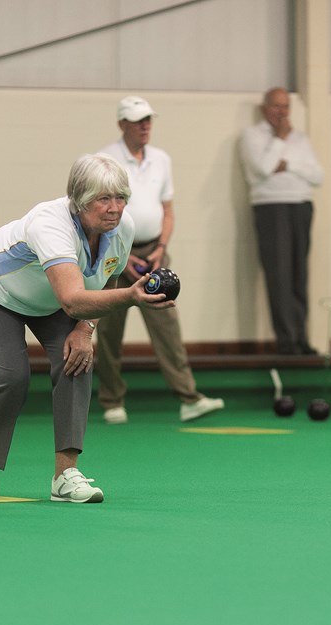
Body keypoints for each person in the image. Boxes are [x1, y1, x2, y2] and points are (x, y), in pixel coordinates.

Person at [0, 153, 174, 503]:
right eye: (103, 199)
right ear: (79, 201)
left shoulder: (123, 227)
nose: (115, 208)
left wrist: (85, 329)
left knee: (78, 358)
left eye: (120, 197)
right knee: (14, 375)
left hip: (51, 298)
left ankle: (65, 476)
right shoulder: (50, 223)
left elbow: (108, 276)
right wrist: (132, 297)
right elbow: (73, 299)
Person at [95, 96, 224, 424]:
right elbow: (99, 213)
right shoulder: (105, 160)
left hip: (153, 251)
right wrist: (120, 259)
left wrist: (161, 247)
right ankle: (112, 402)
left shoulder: (162, 159)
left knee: (167, 325)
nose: (145, 126)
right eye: (138, 121)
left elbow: (167, 209)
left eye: (148, 119)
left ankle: (189, 398)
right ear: (122, 124)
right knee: (109, 330)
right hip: (115, 252)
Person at [239, 87, 324, 355]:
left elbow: (317, 176)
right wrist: (279, 140)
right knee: (279, 274)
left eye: (286, 106)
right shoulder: (251, 136)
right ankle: (286, 341)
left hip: (301, 205)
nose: (282, 112)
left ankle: (302, 338)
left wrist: (288, 165)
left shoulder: (300, 138)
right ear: (265, 108)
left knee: (300, 274)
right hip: (271, 208)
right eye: (277, 106)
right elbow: (263, 168)